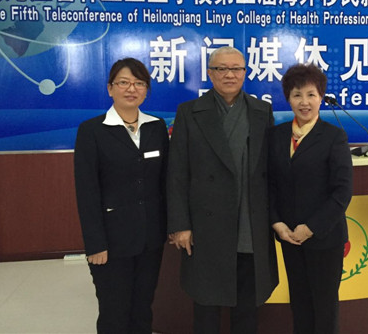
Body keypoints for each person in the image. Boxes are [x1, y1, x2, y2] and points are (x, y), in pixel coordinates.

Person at [167, 46, 278, 334]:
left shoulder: (261, 111)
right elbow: (177, 173)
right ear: (210, 73)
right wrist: (180, 225)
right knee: (206, 304)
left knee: (247, 305)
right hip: (205, 225)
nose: (229, 74)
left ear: (245, 73)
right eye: (221, 69)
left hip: (249, 223)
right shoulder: (190, 112)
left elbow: (270, 171)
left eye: (236, 69)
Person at [74, 58, 169, 334]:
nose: (132, 89)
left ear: (146, 90)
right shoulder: (92, 130)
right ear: (110, 88)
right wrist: (95, 244)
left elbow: (165, 182)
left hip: (151, 238)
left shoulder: (156, 126)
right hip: (111, 241)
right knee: (114, 311)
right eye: (124, 82)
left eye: (139, 83)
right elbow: (86, 191)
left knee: (143, 307)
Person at [268, 63, 353, 334]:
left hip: (324, 237)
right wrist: (277, 223)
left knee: (324, 306)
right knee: (300, 303)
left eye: (311, 95)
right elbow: (269, 184)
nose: (304, 102)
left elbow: (342, 192)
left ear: (321, 98)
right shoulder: (276, 136)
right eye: (297, 95)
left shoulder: (334, 136)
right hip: (289, 236)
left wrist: (311, 227)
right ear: (288, 98)